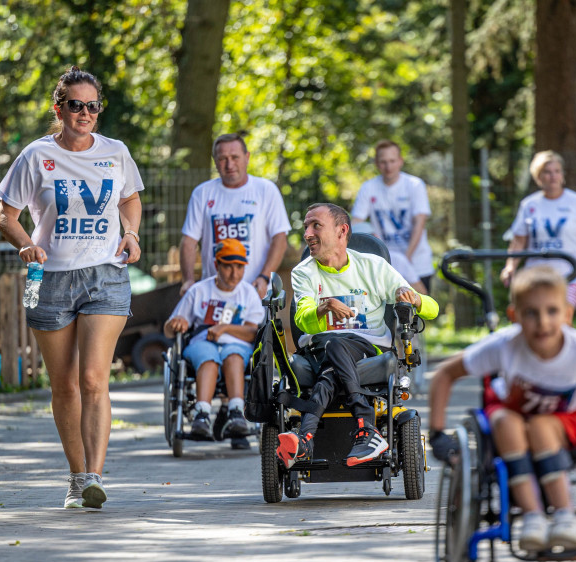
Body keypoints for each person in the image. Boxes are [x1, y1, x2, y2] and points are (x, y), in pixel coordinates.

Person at [0, 66, 144, 509]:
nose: (84, 113)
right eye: (75, 105)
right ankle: (77, 478)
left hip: (106, 274)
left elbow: (130, 198)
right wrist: (25, 246)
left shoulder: (115, 152)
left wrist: (131, 232)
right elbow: (6, 216)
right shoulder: (35, 156)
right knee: (64, 386)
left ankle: (95, 477)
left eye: (92, 106)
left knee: (94, 378)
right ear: (58, 108)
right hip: (50, 280)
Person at [426, 266, 576, 551]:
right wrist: (436, 433)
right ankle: (533, 516)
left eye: (552, 311)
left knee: (541, 426)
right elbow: (445, 374)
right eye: (531, 313)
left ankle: (564, 514)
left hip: (565, 424)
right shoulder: (504, 345)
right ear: (514, 316)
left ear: (568, 314)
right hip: (513, 421)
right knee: (505, 420)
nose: (542, 322)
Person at [275, 203, 439, 468]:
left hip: (367, 347)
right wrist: (324, 306)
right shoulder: (304, 272)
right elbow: (302, 320)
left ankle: (305, 437)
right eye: (306, 226)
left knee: (336, 349)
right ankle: (367, 428)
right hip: (319, 349)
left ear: (342, 231)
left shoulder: (374, 267)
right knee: (333, 355)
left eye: (316, 225)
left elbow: (432, 309)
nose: (307, 233)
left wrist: (414, 299)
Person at [163, 239, 263, 440]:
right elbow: (168, 330)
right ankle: (202, 414)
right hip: (202, 344)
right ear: (217, 265)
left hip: (237, 346)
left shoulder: (248, 293)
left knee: (234, 356)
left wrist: (225, 328)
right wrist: (176, 324)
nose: (234, 274)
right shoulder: (199, 291)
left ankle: (236, 412)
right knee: (208, 358)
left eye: (239, 267)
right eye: (228, 266)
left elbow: (253, 333)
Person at [179, 132, 290, 299]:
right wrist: (187, 280)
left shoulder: (266, 190)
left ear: (247, 157)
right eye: (223, 158)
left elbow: (280, 239)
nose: (229, 164)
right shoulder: (202, 193)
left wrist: (264, 277)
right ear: (215, 161)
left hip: (255, 293)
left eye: (235, 157)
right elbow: (188, 242)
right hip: (213, 295)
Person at [500, 151, 576, 308]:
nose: (553, 176)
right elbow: (519, 239)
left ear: (562, 175)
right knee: (535, 318)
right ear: (538, 176)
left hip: (570, 275)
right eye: (547, 172)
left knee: (560, 317)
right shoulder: (529, 205)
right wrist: (510, 266)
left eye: (557, 171)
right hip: (536, 276)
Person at [350, 140, 434, 293]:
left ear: (400, 161)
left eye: (392, 161)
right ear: (376, 163)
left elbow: (419, 223)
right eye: (383, 162)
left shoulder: (414, 185)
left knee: (420, 309)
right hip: (385, 263)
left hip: (417, 262)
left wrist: (405, 259)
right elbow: (357, 222)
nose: (388, 167)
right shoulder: (369, 187)